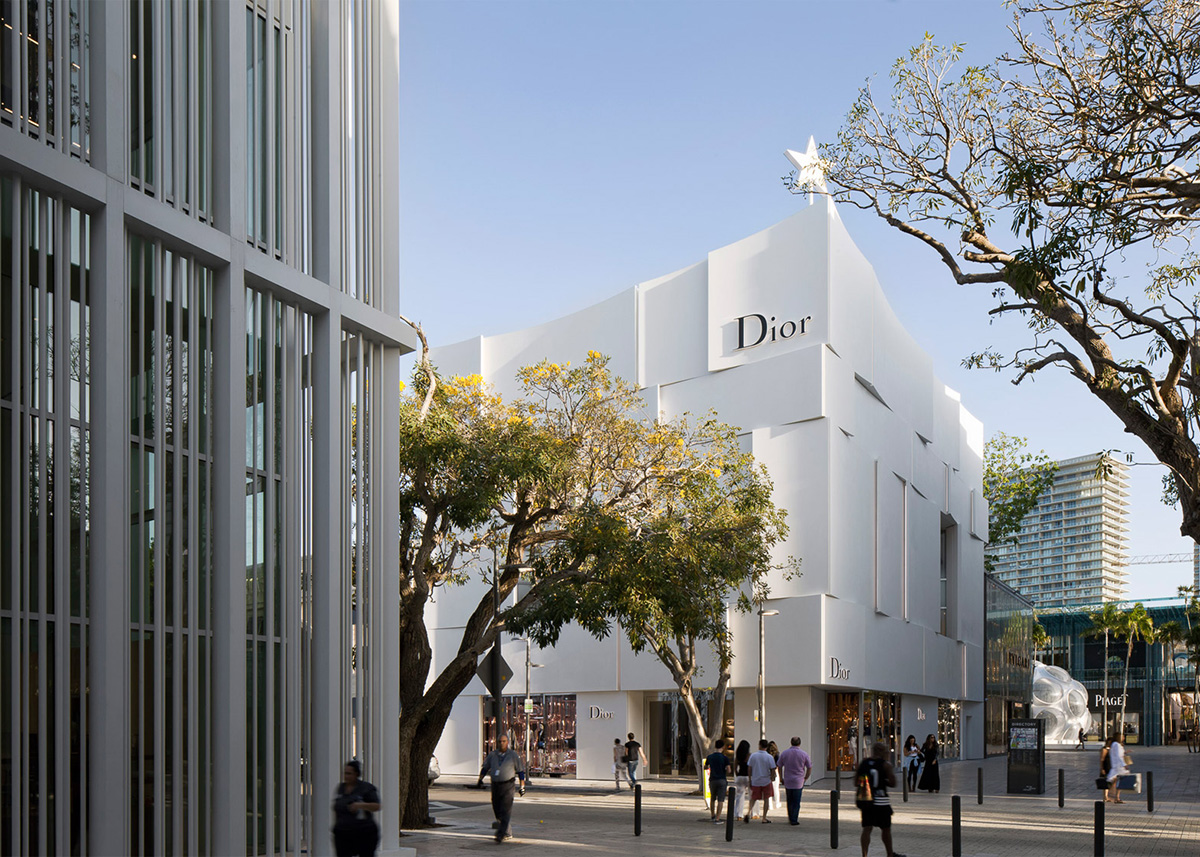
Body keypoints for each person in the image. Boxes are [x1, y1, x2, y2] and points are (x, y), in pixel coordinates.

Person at [857, 741, 906, 857]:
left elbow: (856, 782)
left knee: (867, 828)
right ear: (881, 752)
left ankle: (864, 855)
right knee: (886, 829)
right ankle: (890, 854)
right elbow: (893, 783)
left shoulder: (864, 763)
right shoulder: (886, 765)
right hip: (881, 801)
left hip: (867, 801)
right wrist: (883, 781)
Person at [477, 734, 526, 842]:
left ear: (507, 742)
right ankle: (507, 832)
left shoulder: (512, 755)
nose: (501, 743)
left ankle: (501, 833)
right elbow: (485, 768)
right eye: (499, 741)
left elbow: (520, 771)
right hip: (495, 784)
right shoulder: (493, 755)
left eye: (503, 741)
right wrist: (480, 779)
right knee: (497, 808)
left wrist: (522, 786)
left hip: (508, 784)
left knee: (505, 809)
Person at [331, 759, 381, 857]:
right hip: (343, 832)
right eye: (345, 773)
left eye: (349, 774)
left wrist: (360, 805)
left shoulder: (366, 788)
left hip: (364, 832)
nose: (346, 776)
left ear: (356, 774)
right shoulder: (341, 787)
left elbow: (377, 806)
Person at [778, 736, 812, 825]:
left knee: (789, 800)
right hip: (799, 781)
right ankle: (794, 818)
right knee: (796, 801)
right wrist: (806, 777)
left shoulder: (785, 753)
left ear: (791, 742)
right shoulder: (804, 754)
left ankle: (790, 816)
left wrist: (781, 777)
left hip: (788, 780)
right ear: (799, 743)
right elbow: (809, 767)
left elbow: (779, 765)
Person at [745, 739, 777, 823]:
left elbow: (749, 768)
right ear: (766, 747)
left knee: (753, 798)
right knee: (766, 799)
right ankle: (764, 817)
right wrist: (772, 777)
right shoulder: (769, 757)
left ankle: (748, 812)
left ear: (759, 745)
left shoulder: (753, 756)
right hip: (766, 780)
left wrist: (750, 778)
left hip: (756, 780)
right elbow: (773, 768)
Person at [704, 739, 732, 822]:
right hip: (722, 779)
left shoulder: (710, 757)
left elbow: (705, 767)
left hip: (712, 779)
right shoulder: (725, 758)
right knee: (721, 799)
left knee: (712, 798)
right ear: (723, 747)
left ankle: (712, 815)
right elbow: (729, 770)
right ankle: (717, 817)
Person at [1105, 734, 1129, 804]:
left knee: (1115, 780)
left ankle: (1115, 796)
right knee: (1119, 780)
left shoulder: (1115, 745)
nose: (1123, 737)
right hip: (1118, 766)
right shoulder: (1117, 745)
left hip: (1116, 766)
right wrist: (1124, 765)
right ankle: (1113, 794)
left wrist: (1125, 752)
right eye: (1122, 736)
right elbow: (1119, 756)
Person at [733, 739, 752, 820]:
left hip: (740, 776)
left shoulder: (738, 756)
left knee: (739, 796)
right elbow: (752, 767)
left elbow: (735, 767)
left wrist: (737, 774)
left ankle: (738, 814)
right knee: (752, 796)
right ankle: (754, 813)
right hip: (749, 777)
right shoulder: (750, 756)